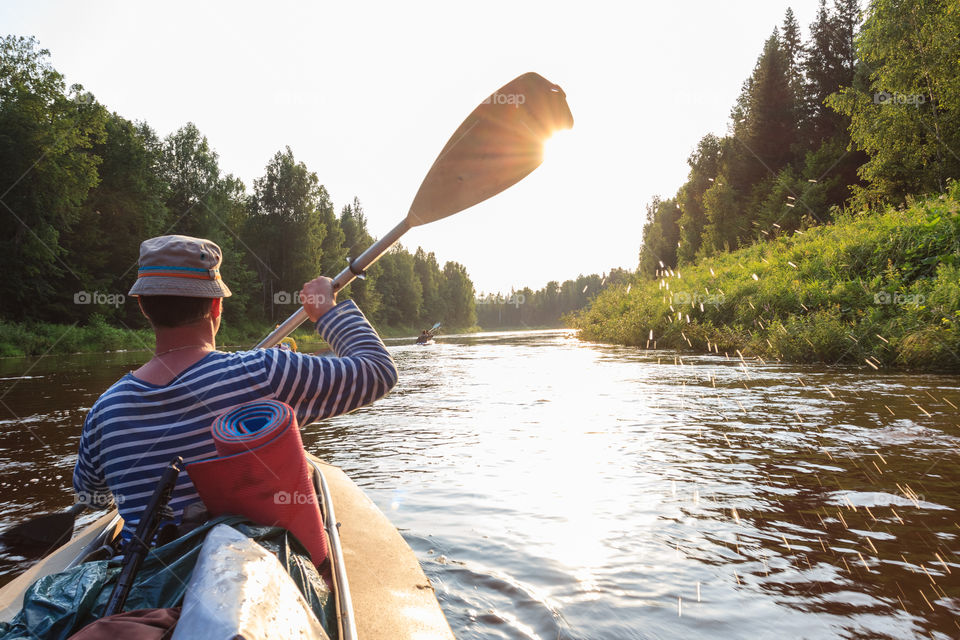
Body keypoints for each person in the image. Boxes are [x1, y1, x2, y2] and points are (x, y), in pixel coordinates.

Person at [73, 235, 398, 540]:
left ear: (143, 306)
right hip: (245, 580)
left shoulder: (105, 410)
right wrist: (326, 310)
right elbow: (378, 371)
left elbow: (95, 495)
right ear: (216, 306)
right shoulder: (267, 372)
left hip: (144, 585)